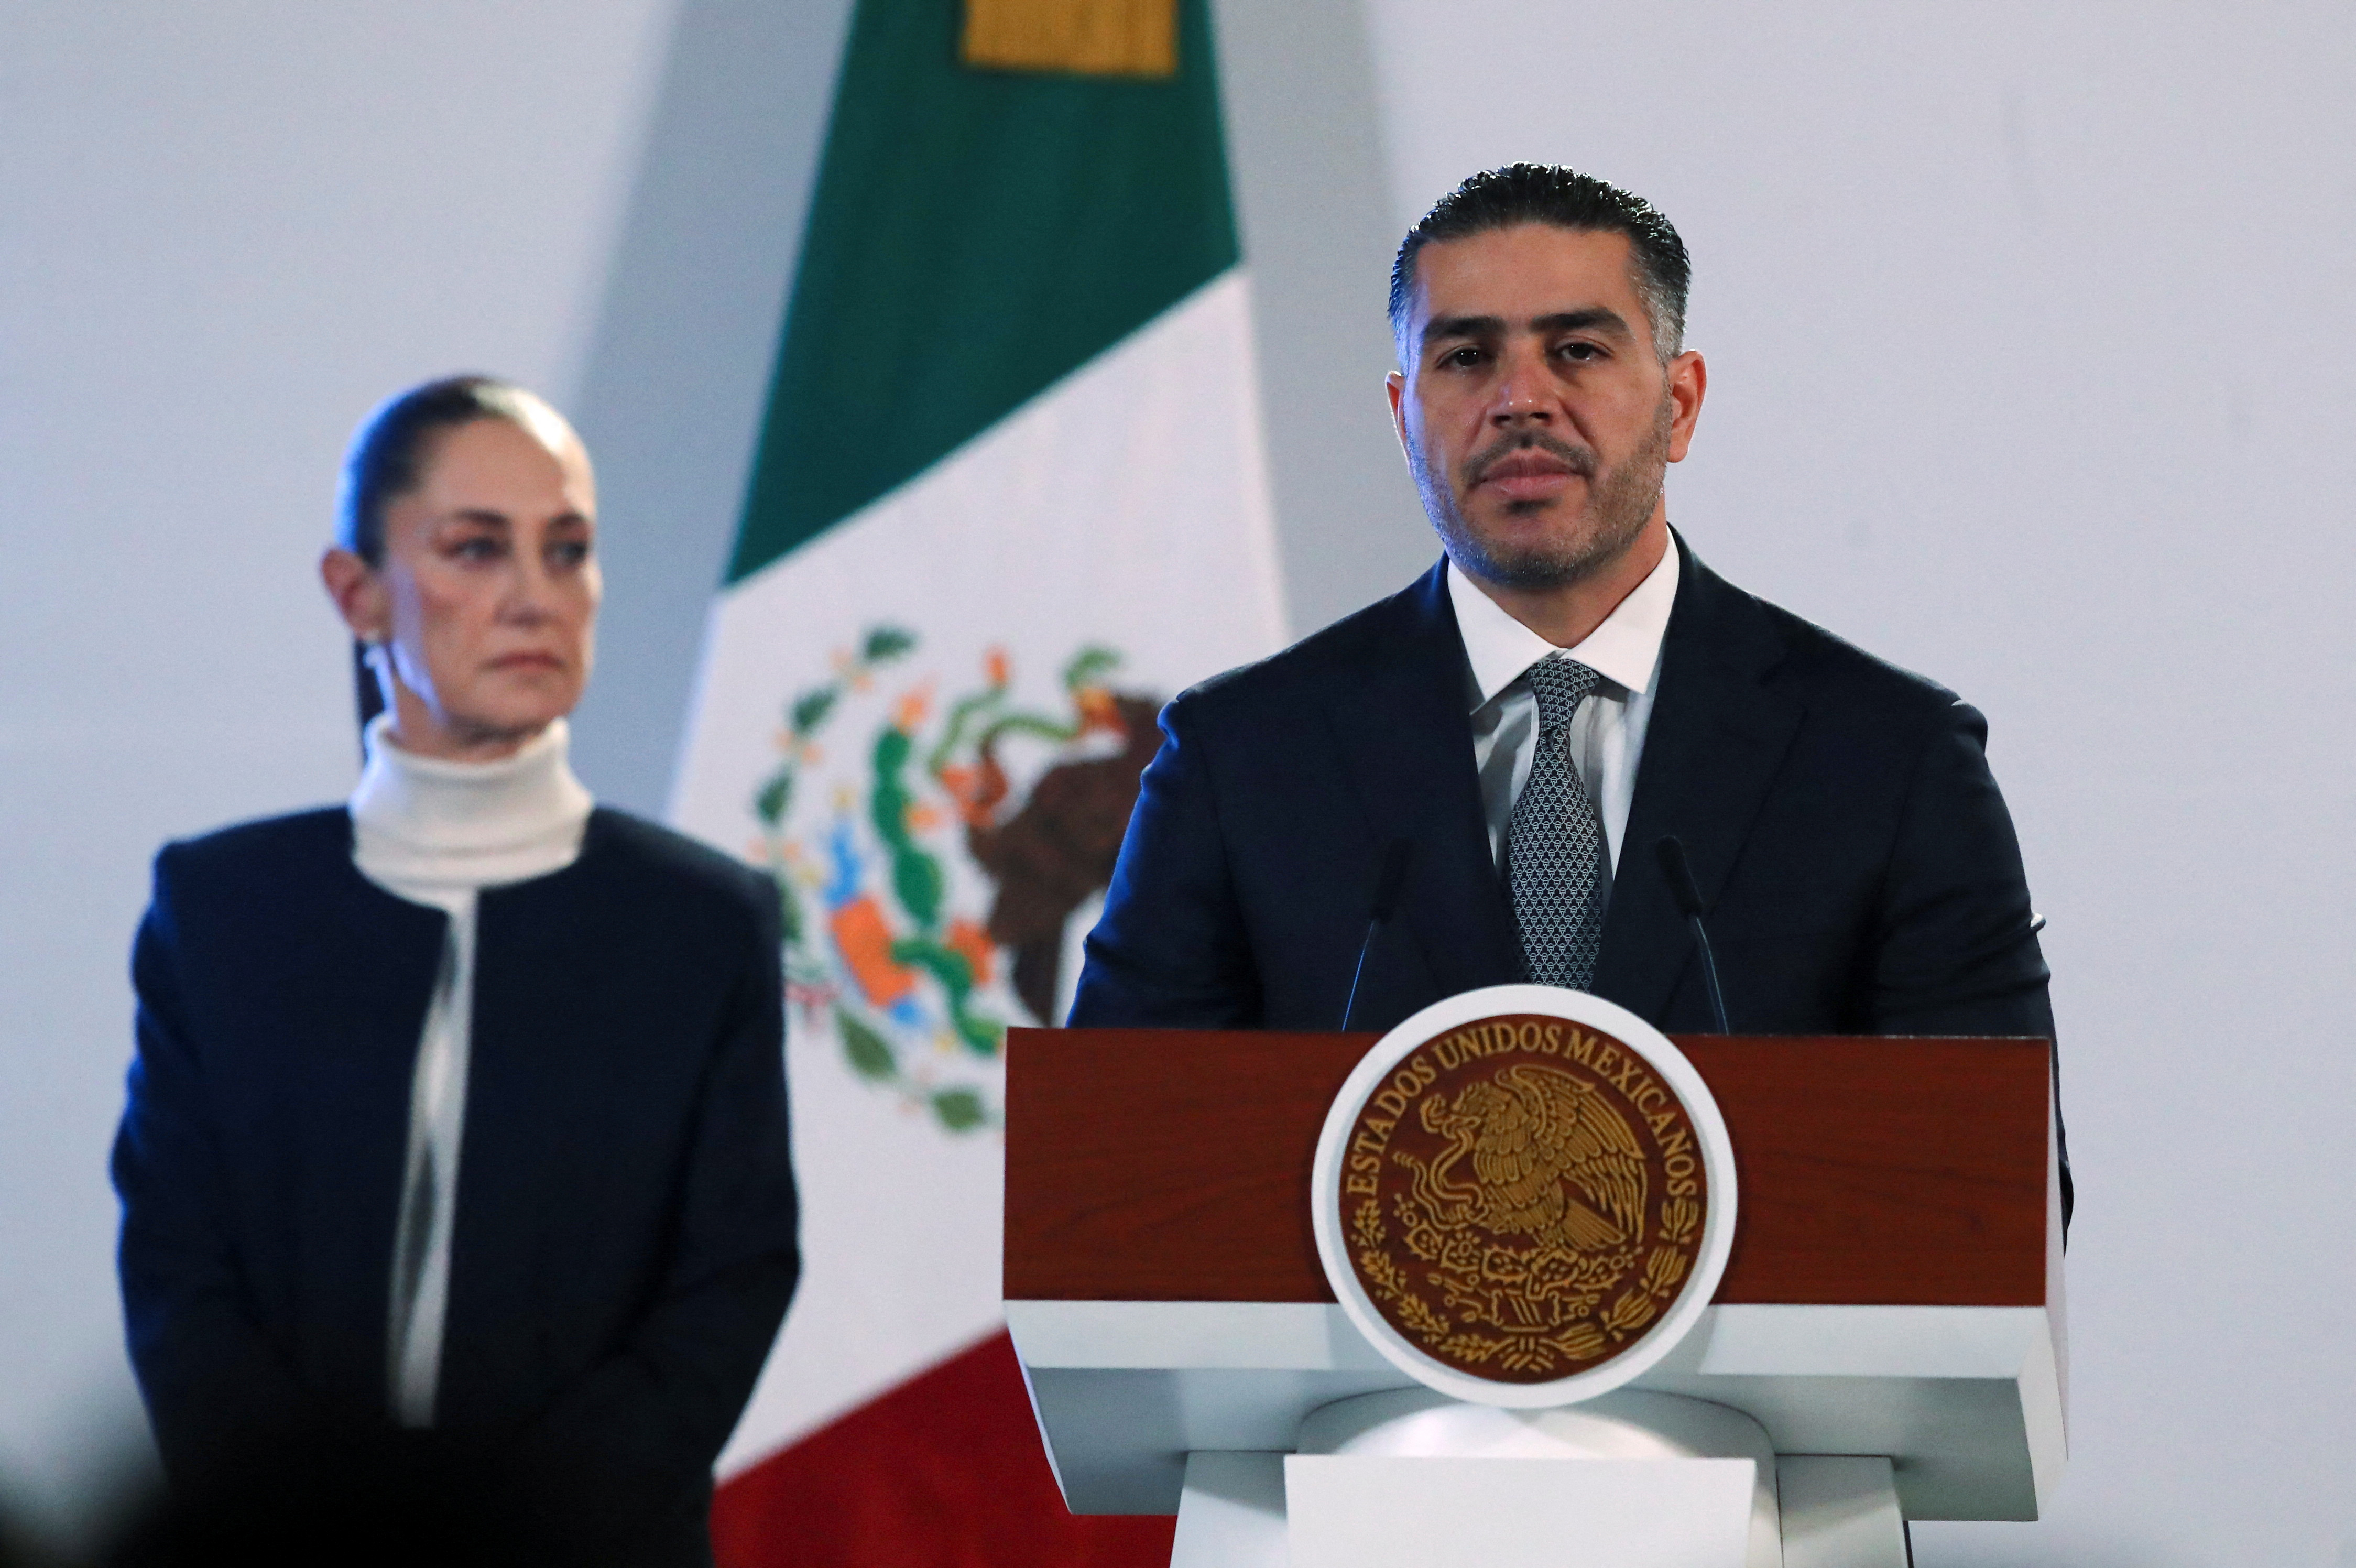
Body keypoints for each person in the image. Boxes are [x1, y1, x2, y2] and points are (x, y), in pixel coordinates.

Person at [1070, 165, 2067, 1218]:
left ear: (1678, 405)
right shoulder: (1240, 759)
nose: (1521, 400)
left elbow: (1992, 1202)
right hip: (1368, 1390)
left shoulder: (1888, 758)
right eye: (1466, 357)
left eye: (1577, 350)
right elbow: (1116, 1180)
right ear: (1404, 414)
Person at [112, 376, 800, 1565]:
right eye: (477, 549)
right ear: (360, 592)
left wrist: (514, 1534)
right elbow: (182, 1271)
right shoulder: (224, 911)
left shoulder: (700, 924)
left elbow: (729, 1278)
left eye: (568, 549)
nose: (536, 595)